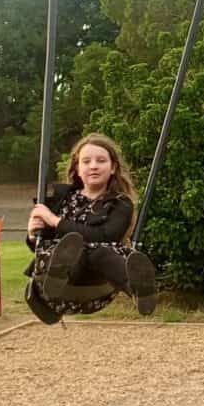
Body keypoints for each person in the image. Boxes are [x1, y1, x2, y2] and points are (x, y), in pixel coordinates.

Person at [25, 132, 157, 320]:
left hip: (97, 285)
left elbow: (105, 236)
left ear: (113, 168)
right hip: (59, 286)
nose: (93, 166)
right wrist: (33, 234)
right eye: (86, 161)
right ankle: (57, 275)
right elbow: (40, 245)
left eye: (101, 161)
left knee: (97, 251)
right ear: (77, 169)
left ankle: (138, 289)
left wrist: (55, 221)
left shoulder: (120, 204)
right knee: (71, 249)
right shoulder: (61, 199)